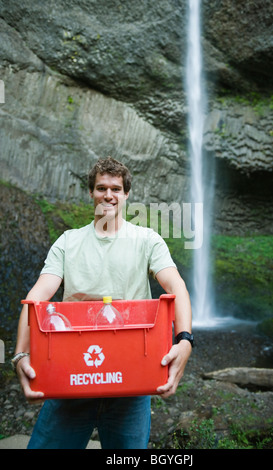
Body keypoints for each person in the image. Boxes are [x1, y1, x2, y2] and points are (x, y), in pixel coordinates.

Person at [12, 156, 193, 449]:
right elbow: (36, 298)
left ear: (126, 195)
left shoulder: (147, 240)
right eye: (101, 188)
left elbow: (177, 287)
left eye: (116, 189)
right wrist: (20, 356)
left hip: (132, 380)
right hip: (71, 377)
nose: (108, 195)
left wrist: (184, 341)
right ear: (91, 193)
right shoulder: (68, 242)